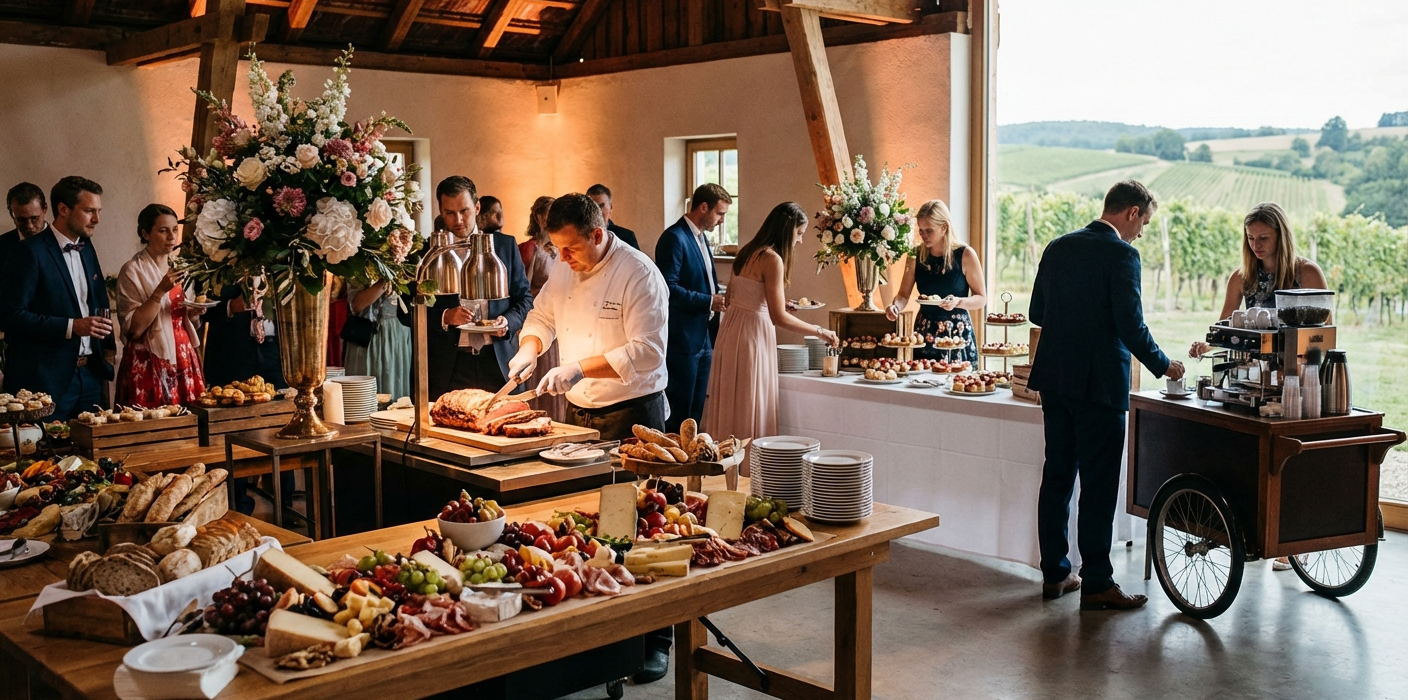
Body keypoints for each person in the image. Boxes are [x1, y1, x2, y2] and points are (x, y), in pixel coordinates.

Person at [507, 193, 671, 682]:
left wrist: (578, 367)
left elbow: (648, 351)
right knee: (588, 529)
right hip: (580, 416)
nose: (562, 258)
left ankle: (654, 642)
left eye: (571, 248)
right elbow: (542, 316)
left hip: (632, 415)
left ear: (598, 234)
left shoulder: (639, 273)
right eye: (556, 249)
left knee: (639, 529)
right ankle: (600, 644)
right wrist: (529, 349)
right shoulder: (564, 267)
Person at [1028, 180, 1184, 611]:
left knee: (1057, 477)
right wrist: (1164, 364)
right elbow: (1131, 325)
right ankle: (1097, 582)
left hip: (1056, 379)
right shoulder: (1122, 255)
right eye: (1144, 223)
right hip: (1099, 385)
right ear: (1132, 212)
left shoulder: (1058, 246)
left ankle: (1055, 573)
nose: (1141, 233)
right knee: (1098, 486)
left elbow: (1037, 312)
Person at [1188, 202, 1326, 572]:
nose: (1256, 245)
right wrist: (1207, 344)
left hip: (1297, 380)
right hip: (1252, 380)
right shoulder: (1242, 277)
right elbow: (1226, 325)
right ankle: (1258, 529)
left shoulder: (1306, 272)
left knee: (1294, 459)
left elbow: (1322, 333)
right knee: (1252, 458)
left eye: (1263, 238)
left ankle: (1295, 540)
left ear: (1282, 235)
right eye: (1250, 239)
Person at [703, 202, 838, 487]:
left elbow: (738, 298)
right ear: (787, 231)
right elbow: (778, 317)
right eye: (799, 234)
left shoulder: (747, 251)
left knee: (730, 403)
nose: (800, 240)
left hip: (731, 333)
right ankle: (751, 476)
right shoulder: (773, 259)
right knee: (751, 404)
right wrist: (819, 330)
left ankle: (722, 473)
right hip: (753, 336)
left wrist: (774, 303)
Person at [399, 176, 532, 401]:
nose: (458, 220)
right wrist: (444, 316)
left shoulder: (504, 245)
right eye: (449, 213)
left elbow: (525, 299)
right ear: (441, 211)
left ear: (477, 207)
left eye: (464, 211)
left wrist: (508, 322)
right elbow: (404, 311)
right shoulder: (424, 253)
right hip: (447, 367)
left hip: (498, 362)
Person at [0, 176, 114, 420]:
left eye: (98, 211)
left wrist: (108, 351)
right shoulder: (27, 251)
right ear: (63, 209)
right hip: (46, 380)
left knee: (92, 445)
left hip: (90, 377)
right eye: (89, 211)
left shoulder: (86, 245)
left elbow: (98, 299)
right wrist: (72, 326)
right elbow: (10, 316)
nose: (96, 219)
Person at [114, 204, 206, 407]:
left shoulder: (180, 266)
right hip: (148, 357)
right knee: (154, 417)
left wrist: (194, 312)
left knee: (190, 417)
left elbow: (184, 316)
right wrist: (159, 292)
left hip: (183, 352)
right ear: (145, 234)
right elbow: (133, 329)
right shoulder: (132, 270)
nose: (172, 237)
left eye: (174, 230)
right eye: (163, 231)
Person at [656, 183, 729, 433]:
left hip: (703, 334)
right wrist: (708, 301)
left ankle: (691, 457)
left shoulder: (700, 237)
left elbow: (704, 280)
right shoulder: (674, 237)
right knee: (680, 411)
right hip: (682, 338)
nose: (722, 220)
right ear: (703, 207)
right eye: (720, 213)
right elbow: (668, 289)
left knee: (696, 412)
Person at [884, 199, 987, 364]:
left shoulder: (965, 254)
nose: (923, 235)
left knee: (958, 378)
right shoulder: (915, 255)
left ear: (944, 227)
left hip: (956, 332)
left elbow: (981, 298)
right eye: (921, 230)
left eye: (929, 230)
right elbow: (903, 295)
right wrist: (895, 306)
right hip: (925, 331)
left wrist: (958, 301)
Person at [517, 196, 566, 422]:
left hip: (559, 320)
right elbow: (523, 289)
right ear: (538, 217)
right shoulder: (530, 248)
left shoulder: (557, 248)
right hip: (538, 316)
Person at [344, 279, 412, 400]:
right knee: (362, 393)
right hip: (365, 334)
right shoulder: (357, 267)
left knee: (393, 388)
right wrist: (386, 279)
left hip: (395, 332)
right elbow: (356, 305)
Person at [1, 182, 51, 274]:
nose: (29, 226)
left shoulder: (63, 242)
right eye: (21, 220)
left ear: (45, 209)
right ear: (12, 214)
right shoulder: (2, 246)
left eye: (34, 218)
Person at [586, 184, 639, 251]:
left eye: (601, 206)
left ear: (610, 208)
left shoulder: (626, 237)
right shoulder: (580, 236)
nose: (598, 211)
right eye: (593, 207)